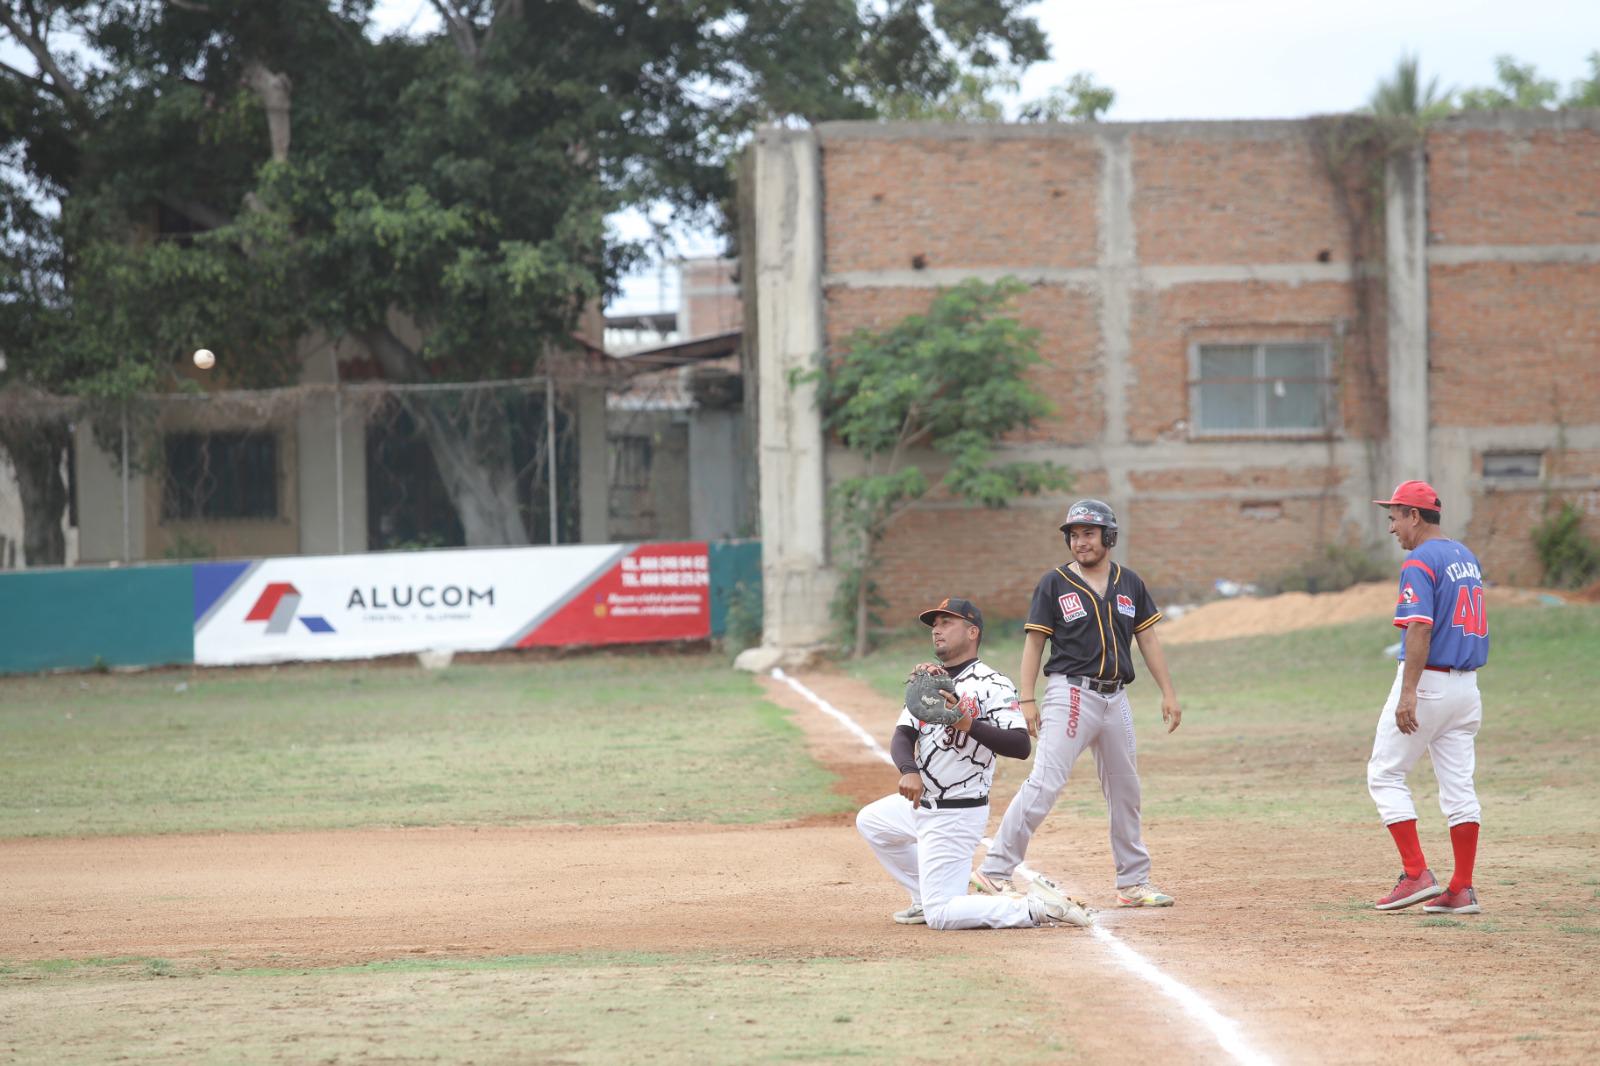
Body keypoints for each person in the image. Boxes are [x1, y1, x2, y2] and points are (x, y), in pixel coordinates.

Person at [972, 499, 1181, 908]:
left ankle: (1133, 883)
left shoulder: (1129, 582)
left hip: (1115, 696)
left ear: (1109, 537)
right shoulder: (1054, 583)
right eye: (1073, 534)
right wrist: (1027, 698)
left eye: (1088, 533)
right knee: (1045, 782)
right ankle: (994, 870)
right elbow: (1035, 642)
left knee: (1125, 789)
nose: (1080, 542)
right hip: (1070, 693)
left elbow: (1148, 639)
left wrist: (1168, 692)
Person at [856, 597, 1090, 930]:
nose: (937, 630)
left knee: (942, 916)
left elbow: (1020, 745)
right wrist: (909, 770)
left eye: (946, 623)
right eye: (934, 624)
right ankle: (924, 896)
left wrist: (968, 724)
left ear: (972, 632)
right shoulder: (930, 682)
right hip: (923, 805)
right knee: (872, 822)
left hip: (956, 813)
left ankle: (1035, 908)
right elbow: (903, 735)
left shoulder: (993, 685)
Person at [1367, 481, 1488, 914]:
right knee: (1459, 788)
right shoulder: (1465, 555)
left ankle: (1416, 872)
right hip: (1467, 687)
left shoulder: (1420, 560)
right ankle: (1461, 887)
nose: (1392, 527)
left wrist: (1409, 693)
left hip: (1431, 682)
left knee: (1385, 774)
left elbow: (1420, 627)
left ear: (1414, 516)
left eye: (1395, 516)